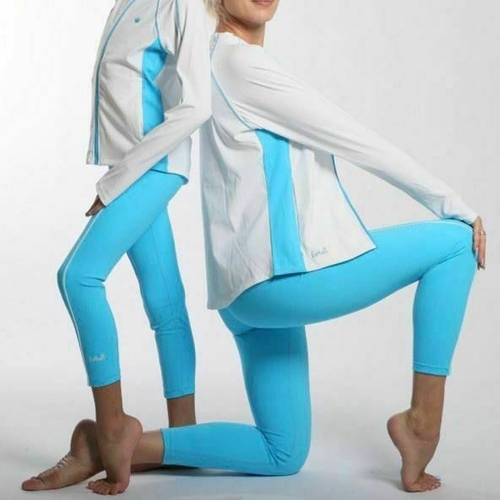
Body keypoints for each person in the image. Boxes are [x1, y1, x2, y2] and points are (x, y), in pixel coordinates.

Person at [22, 0, 487, 496]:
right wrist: (454, 203)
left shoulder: (211, 60)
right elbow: (356, 139)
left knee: (282, 451)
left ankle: (108, 446)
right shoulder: (242, 64)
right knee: (455, 242)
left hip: (246, 295)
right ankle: (421, 423)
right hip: (282, 283)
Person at [21, 0, 211, 495]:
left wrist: (115, 183)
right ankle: (184, 442)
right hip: (134, 167)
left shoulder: (180, 4)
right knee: (166, 304)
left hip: (152, 168)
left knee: (78, 277)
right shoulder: (127, 3)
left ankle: (111, 432)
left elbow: (197, 105)